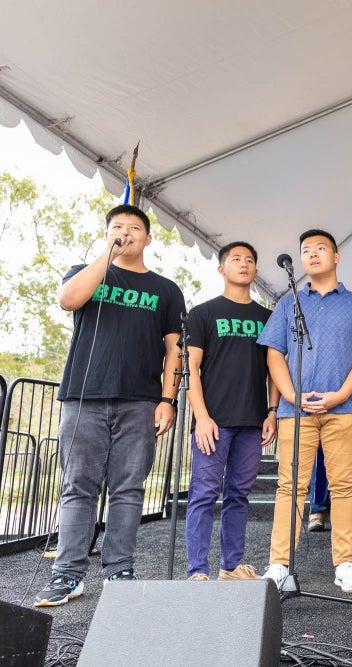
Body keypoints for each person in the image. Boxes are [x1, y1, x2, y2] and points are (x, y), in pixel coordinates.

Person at [35, 204, 185, 606]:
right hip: (83, 399)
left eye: (134, 228)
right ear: (106, 233)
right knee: (78, 487)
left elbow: (175, 351)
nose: (126, 232)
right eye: (117, 227)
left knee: (128, 488)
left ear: (148, 239)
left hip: (140, 401)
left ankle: (120, 569)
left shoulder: (166, 290)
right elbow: (69, 300)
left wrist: (167, 400)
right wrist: (108, 255)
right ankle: (68, 575)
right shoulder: (85, 271)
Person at [258, 229, 352, 594]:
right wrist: (292, 396)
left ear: (336, 257)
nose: (312, 254)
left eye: (320, 248)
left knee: (345, 486)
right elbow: (273, 353)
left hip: (344, 409)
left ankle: (345, 563)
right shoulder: (287, 303)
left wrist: (341, 394)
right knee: (289, 487)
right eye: (305, 250)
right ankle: (280, 563)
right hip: (294, 412)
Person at [184, 241, 278, 581]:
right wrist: (202, 417)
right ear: (221, 268)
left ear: (255, 270)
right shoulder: (204, 313)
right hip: (214, 422)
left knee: (239, 494)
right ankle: (197, 569)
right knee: (204, 493)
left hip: (253, 422)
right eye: (236, 259)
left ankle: (231, 565)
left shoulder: (268, 318)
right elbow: (190, 368)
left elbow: (275, 371)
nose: (244, 264)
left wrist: (272, 412)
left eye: (250, 260)